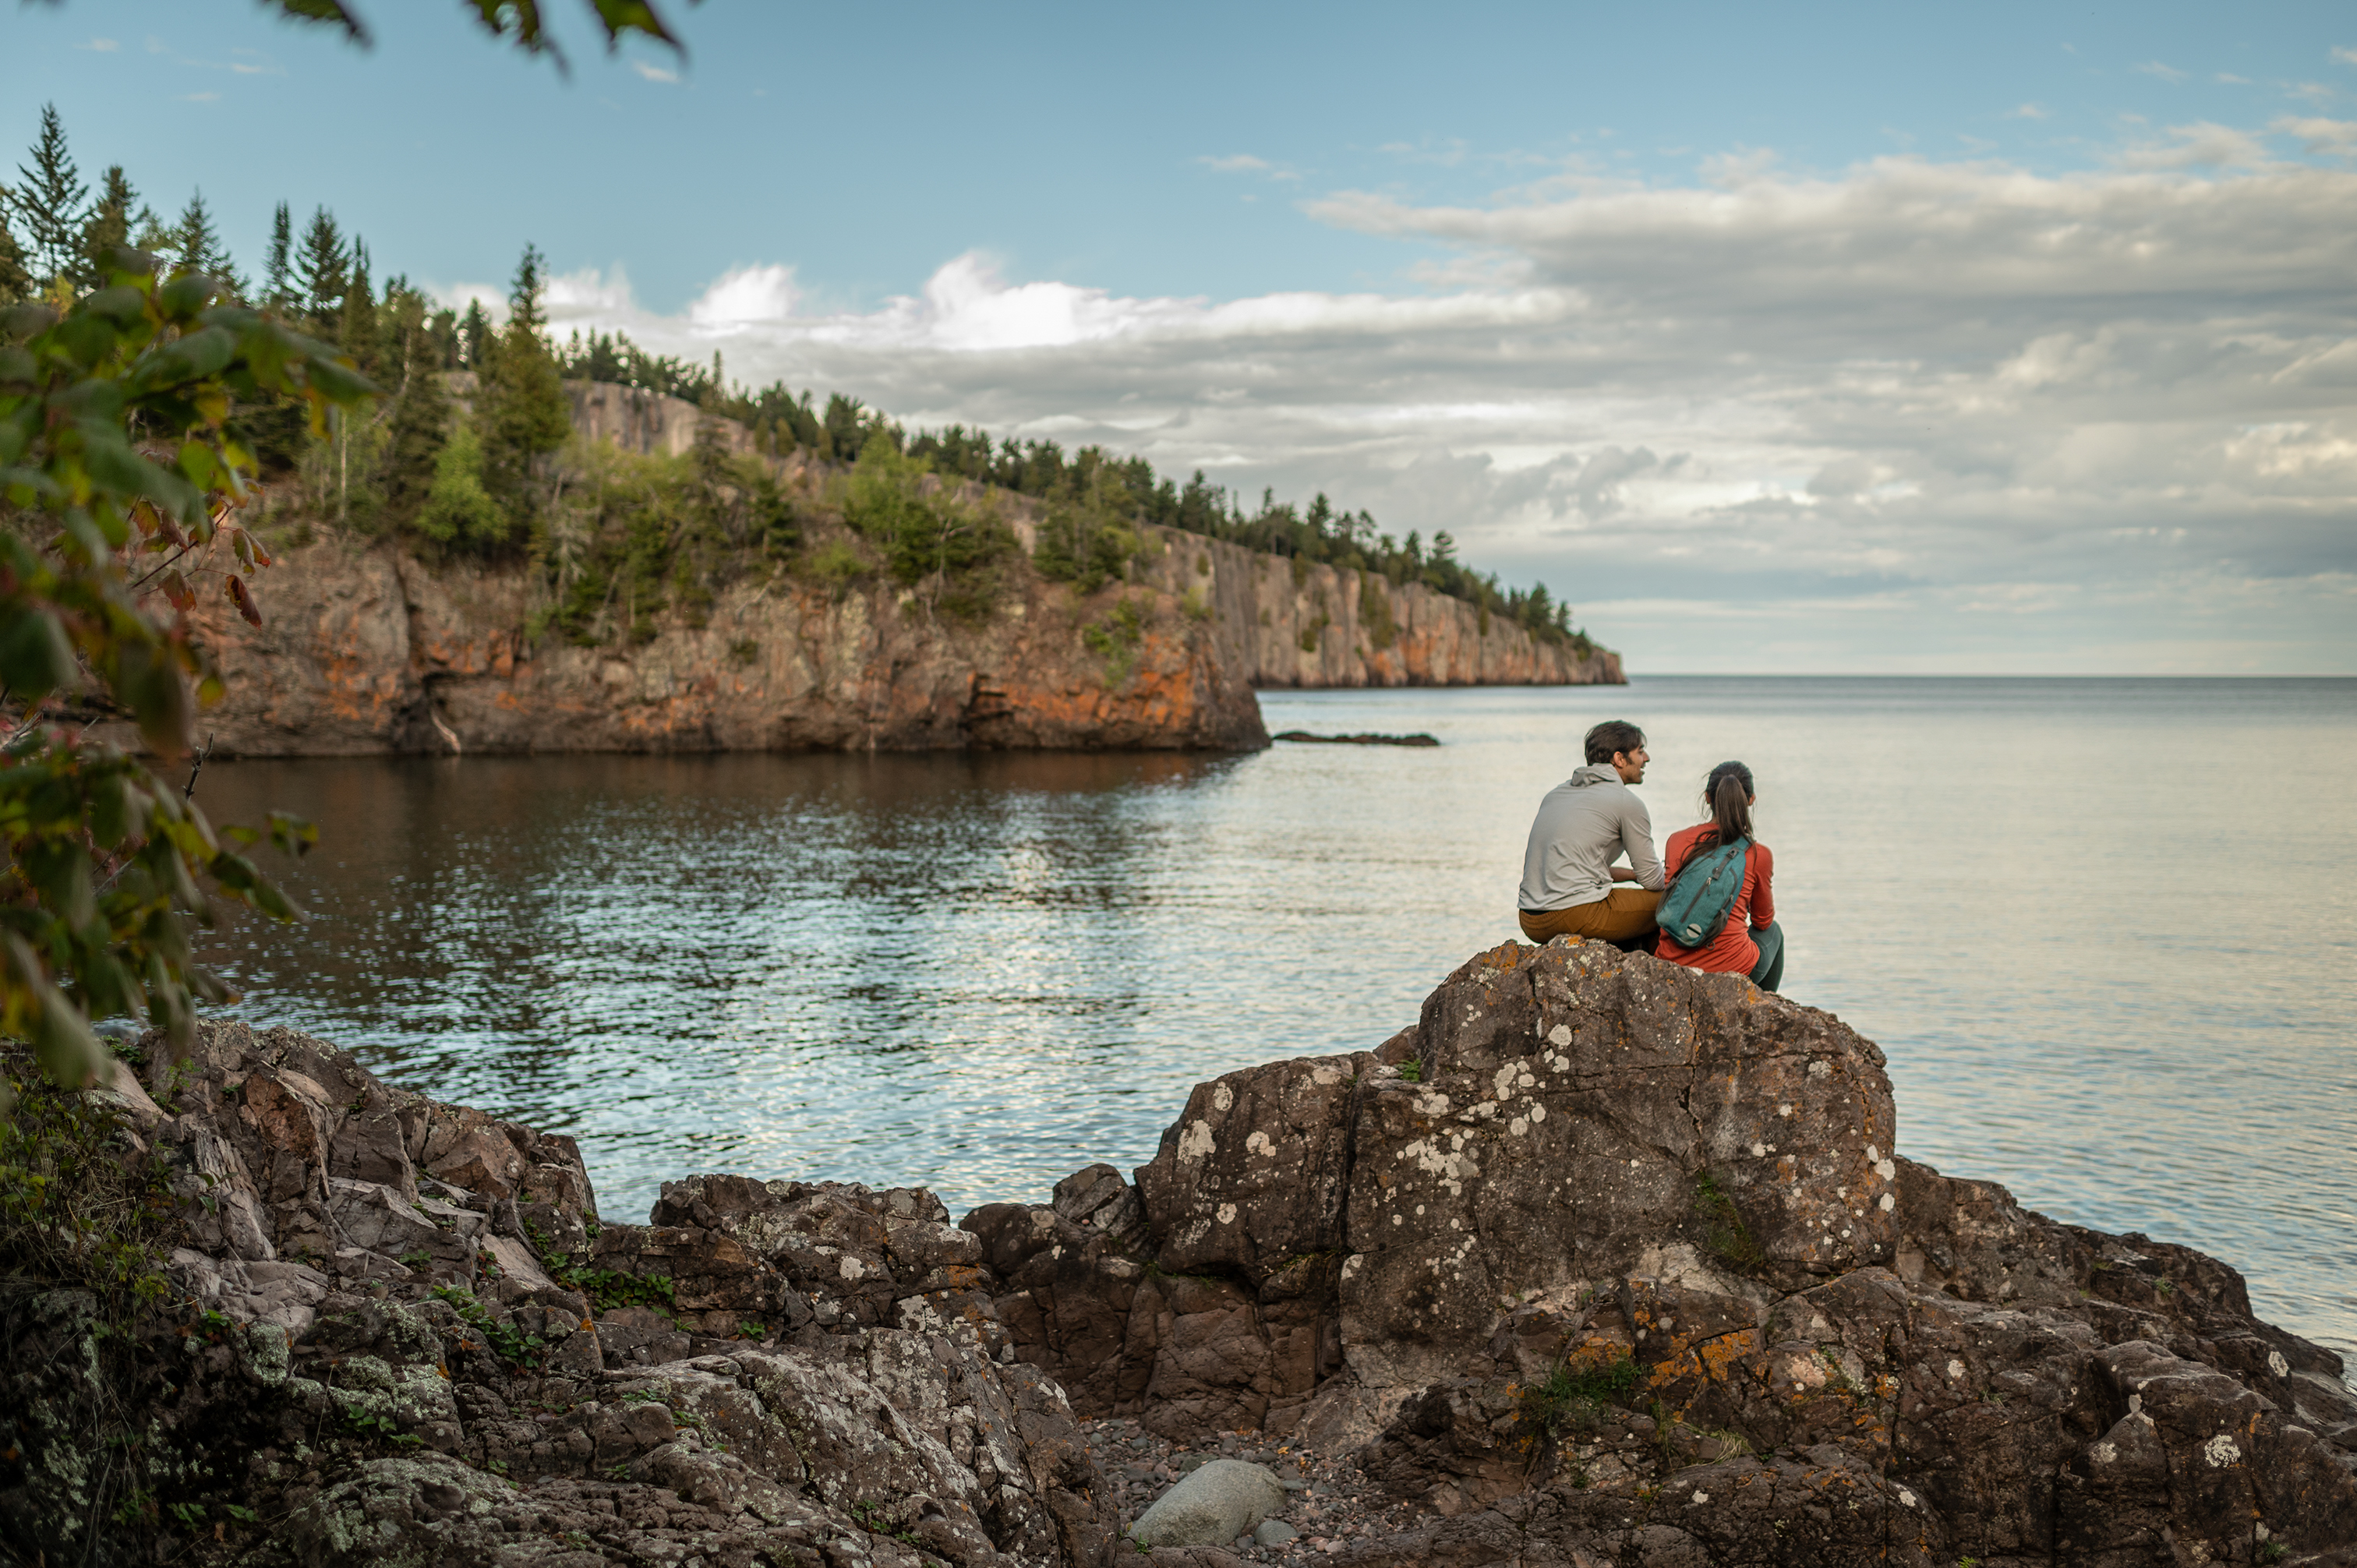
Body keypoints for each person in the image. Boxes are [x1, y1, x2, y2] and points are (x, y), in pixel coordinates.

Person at [1518, 719, 1664, 948]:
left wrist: (1632, 875)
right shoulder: (1626, 802)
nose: (1646, 759)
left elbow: (1575, 867)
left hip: (1530, 919)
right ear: (1619, 759)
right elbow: (1653, 881)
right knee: (1675, 903)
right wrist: (1675, 878)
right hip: (1574, 915)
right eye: (1640, 751)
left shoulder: (1557, 794)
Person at [1656, 760, 1783, 992]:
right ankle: (1765, 1005)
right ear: (1751, 800)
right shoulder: (1757, 854)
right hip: (1730, 968)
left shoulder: (1676, 841)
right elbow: (1762, 921)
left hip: (1671, 962)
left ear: (1707, 797)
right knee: (1774, 932)